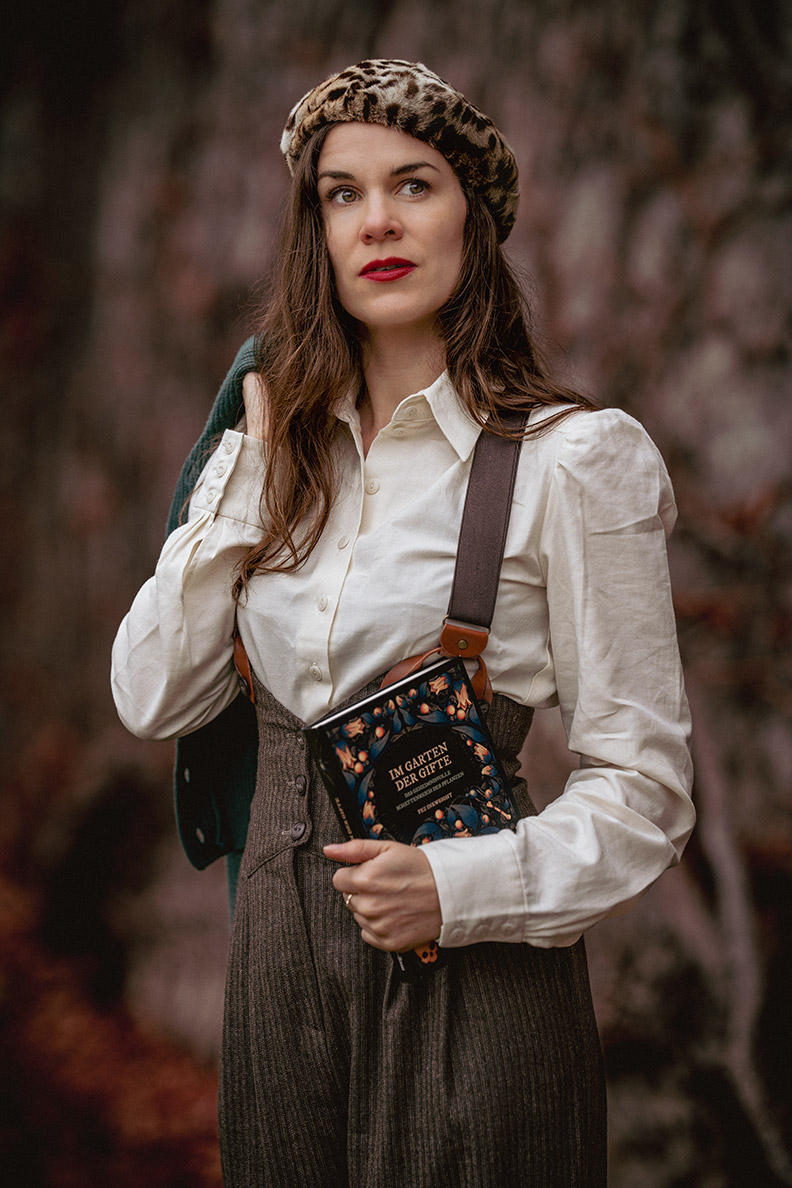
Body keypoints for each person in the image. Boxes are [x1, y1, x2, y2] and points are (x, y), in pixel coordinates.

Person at [111, 59, 694, 1188]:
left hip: (475, 986)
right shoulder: (267, 458)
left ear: (473, 217)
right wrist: (251, 468)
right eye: (343, 193)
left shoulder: (575, 462)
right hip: (275, 985)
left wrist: (460, 888)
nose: (377, 220)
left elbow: (647, 793)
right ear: (316, 233)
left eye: (414, 185)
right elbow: (152, 695)